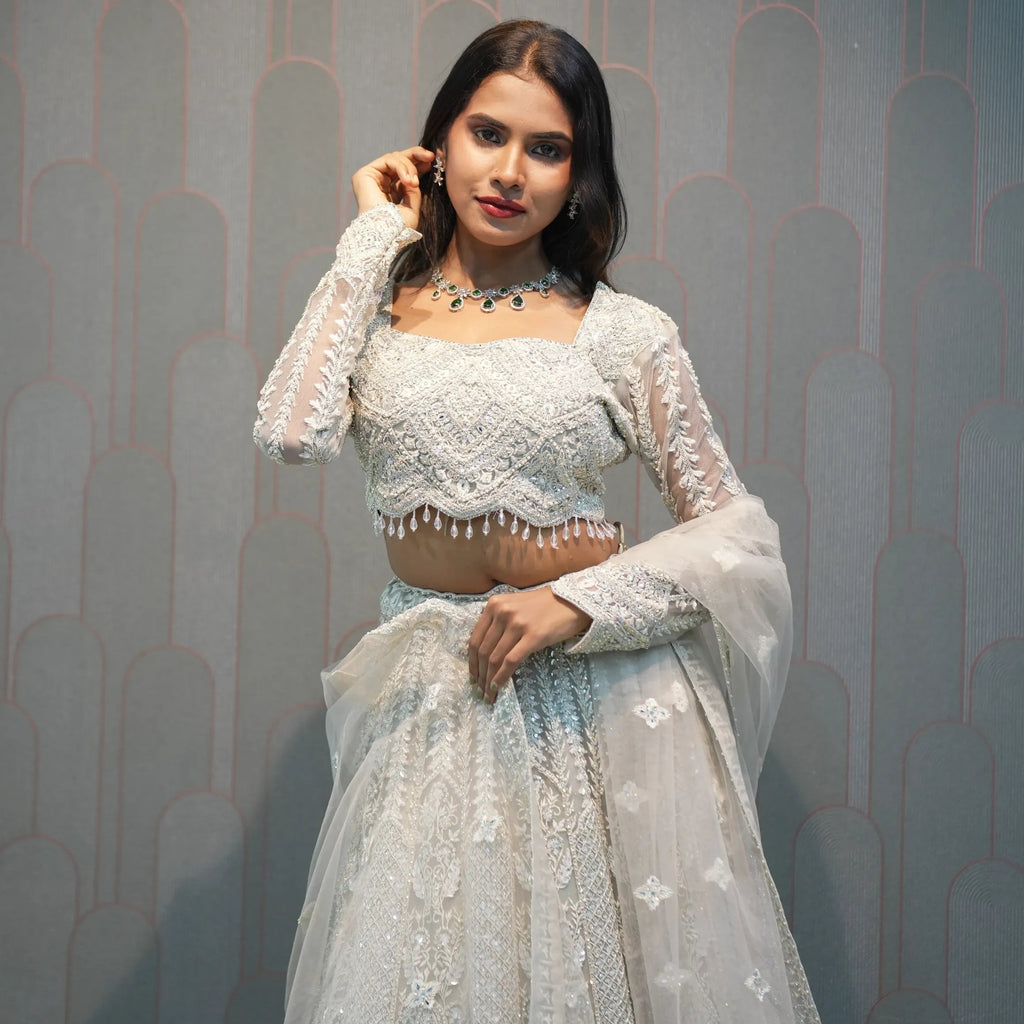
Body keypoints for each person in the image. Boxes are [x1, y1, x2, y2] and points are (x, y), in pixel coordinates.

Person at [253, 19, 820, 1024]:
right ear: (440, 142)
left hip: (600, 713)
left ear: (578, 174)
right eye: (487, 134)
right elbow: (292, 431)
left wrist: (577, 604)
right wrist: (373, 237)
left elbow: (737, 537)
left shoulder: (621, 333)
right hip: (435, 706)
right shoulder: (377, 309)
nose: (510, 172)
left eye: (547, 148)